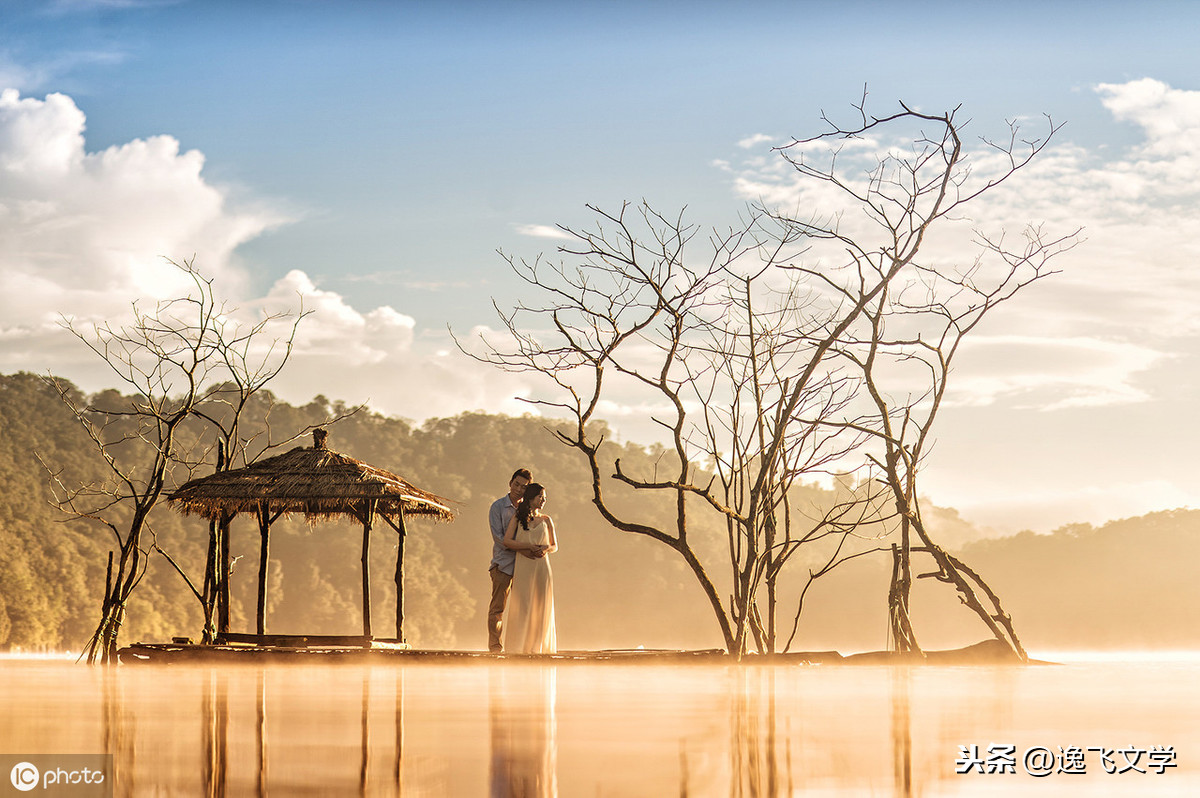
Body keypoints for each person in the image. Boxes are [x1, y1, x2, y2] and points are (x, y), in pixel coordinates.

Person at [502, 482, 557, 654]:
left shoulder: (547, 520)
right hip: (524, 564)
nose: (543, 501)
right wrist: (527, 547)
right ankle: (518, 647)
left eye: (544, 498)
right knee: (523, 603)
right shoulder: (518, 518)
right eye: (540, 497)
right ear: (531, 497)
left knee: (540, 605)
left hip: (542, 566)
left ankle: (537, 647)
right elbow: (507, 541)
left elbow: (554, 545)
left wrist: (544, 549)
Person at [488, 468, 539, 653]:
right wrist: (524, 550)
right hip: (503, 565)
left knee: (524, 609)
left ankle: (521, 646)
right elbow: (499, 539)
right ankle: (495, 647)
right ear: (510, 483)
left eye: (523, 487)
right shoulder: (497, 507)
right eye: (516, 484)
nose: (518, 489)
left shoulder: (530, 509)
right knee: (497, 609)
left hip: (525, 567)